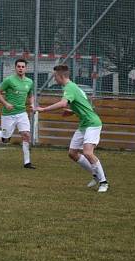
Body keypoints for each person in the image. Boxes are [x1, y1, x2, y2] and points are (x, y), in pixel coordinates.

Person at [34, 64, 108, 193]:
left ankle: (103, 182)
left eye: (55, 76)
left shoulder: (69, 87)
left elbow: (63, 103)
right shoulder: (73, 87)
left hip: (92, 123)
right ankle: (96, 175)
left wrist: (43, 109)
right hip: (85, 123)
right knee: (72, 153)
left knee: (88, 153)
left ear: (60, 76)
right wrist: (72, 111)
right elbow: (83, 104)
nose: (54, 79)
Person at [0, 58, 36, 168]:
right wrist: (5, 104)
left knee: (26, 135)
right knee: (5, 140)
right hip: (8, 114)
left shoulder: (29, 82)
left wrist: (32, 104)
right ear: (15, 68)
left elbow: (30, 95)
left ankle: (27, 162)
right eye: (18, 66)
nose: (21, 68)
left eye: (23, 67)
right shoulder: (9, 80)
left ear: (26, 68)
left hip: (22, 113)